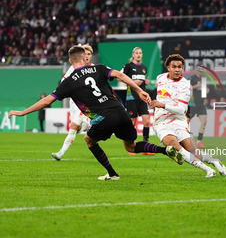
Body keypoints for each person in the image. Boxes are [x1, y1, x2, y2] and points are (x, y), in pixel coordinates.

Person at [8, 45, 182, 181]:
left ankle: (112, 174)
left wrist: (23, 112)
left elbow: (47, 101)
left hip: (104, 117)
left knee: (88, 140)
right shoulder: (99, 68)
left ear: (70, 61)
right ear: (84, 58)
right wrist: (138, 89)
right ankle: (165, 150)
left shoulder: (68, 82)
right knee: (131, 146)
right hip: (120, 111)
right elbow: (120, 76)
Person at [149, 54, 226, 178]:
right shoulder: (160, 78)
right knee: (175, 145)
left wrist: (162, 105)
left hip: (178, 120)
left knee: (194, 151)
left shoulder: (185, 85)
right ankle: (208, 169)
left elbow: (181, 109)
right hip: (161, 121)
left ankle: (214, 161)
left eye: (180, 67)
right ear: (168, 67)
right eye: (174, 67)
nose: (177, 69)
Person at [52, 44, 94, 160]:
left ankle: (61, 153)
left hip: (87, 104)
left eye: (89, 54)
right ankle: (89, 126)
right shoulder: (73, 68)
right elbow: (63, 81)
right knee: (78, 128)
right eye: (84, 54)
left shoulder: (94, 68)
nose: (86, 56)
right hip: (74, 104)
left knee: (73, 126)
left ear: (91, 56)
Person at [121, 47, 151, 155]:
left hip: (142, 97)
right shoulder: (128, 66)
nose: (138, 55)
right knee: (132, 123)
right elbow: (121, 78)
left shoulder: (144, 68)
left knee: (147, 121)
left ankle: (145, 146)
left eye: (140, 53)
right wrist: (133, 82)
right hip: (131, 97)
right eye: (136, 53)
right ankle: (131, 146)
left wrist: (145, 82)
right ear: (133, 55)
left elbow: (143, 81)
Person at [187, 65, 208, 148]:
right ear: (196, 69)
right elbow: (187, 88)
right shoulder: (191, 78)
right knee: (186, 122)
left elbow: (203, 91)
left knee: (204, 121)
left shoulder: (204, 79)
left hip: (201, 104)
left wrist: (206, 92)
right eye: (199, 69)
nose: (200, 70)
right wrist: (197, 86)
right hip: (192, 104)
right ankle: (182, 139)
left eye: (202, 69)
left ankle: (199, 141)